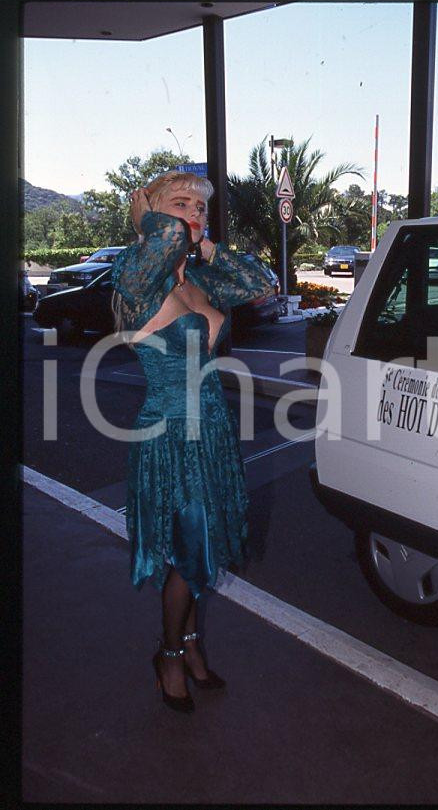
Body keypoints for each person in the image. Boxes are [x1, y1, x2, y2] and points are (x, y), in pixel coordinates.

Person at [110, 171, 274, 713]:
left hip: (213, 431)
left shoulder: (198, 279)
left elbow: (262, 283)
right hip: (170, 434)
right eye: (180, 203)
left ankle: (193, 643)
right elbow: (161, 241)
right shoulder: (136, 277)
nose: (194, 214)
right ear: (150, 211)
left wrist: (203, 245)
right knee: (188, 551)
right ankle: (169, 655)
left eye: (201, 207)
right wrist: (152, 225)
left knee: (203, 547)